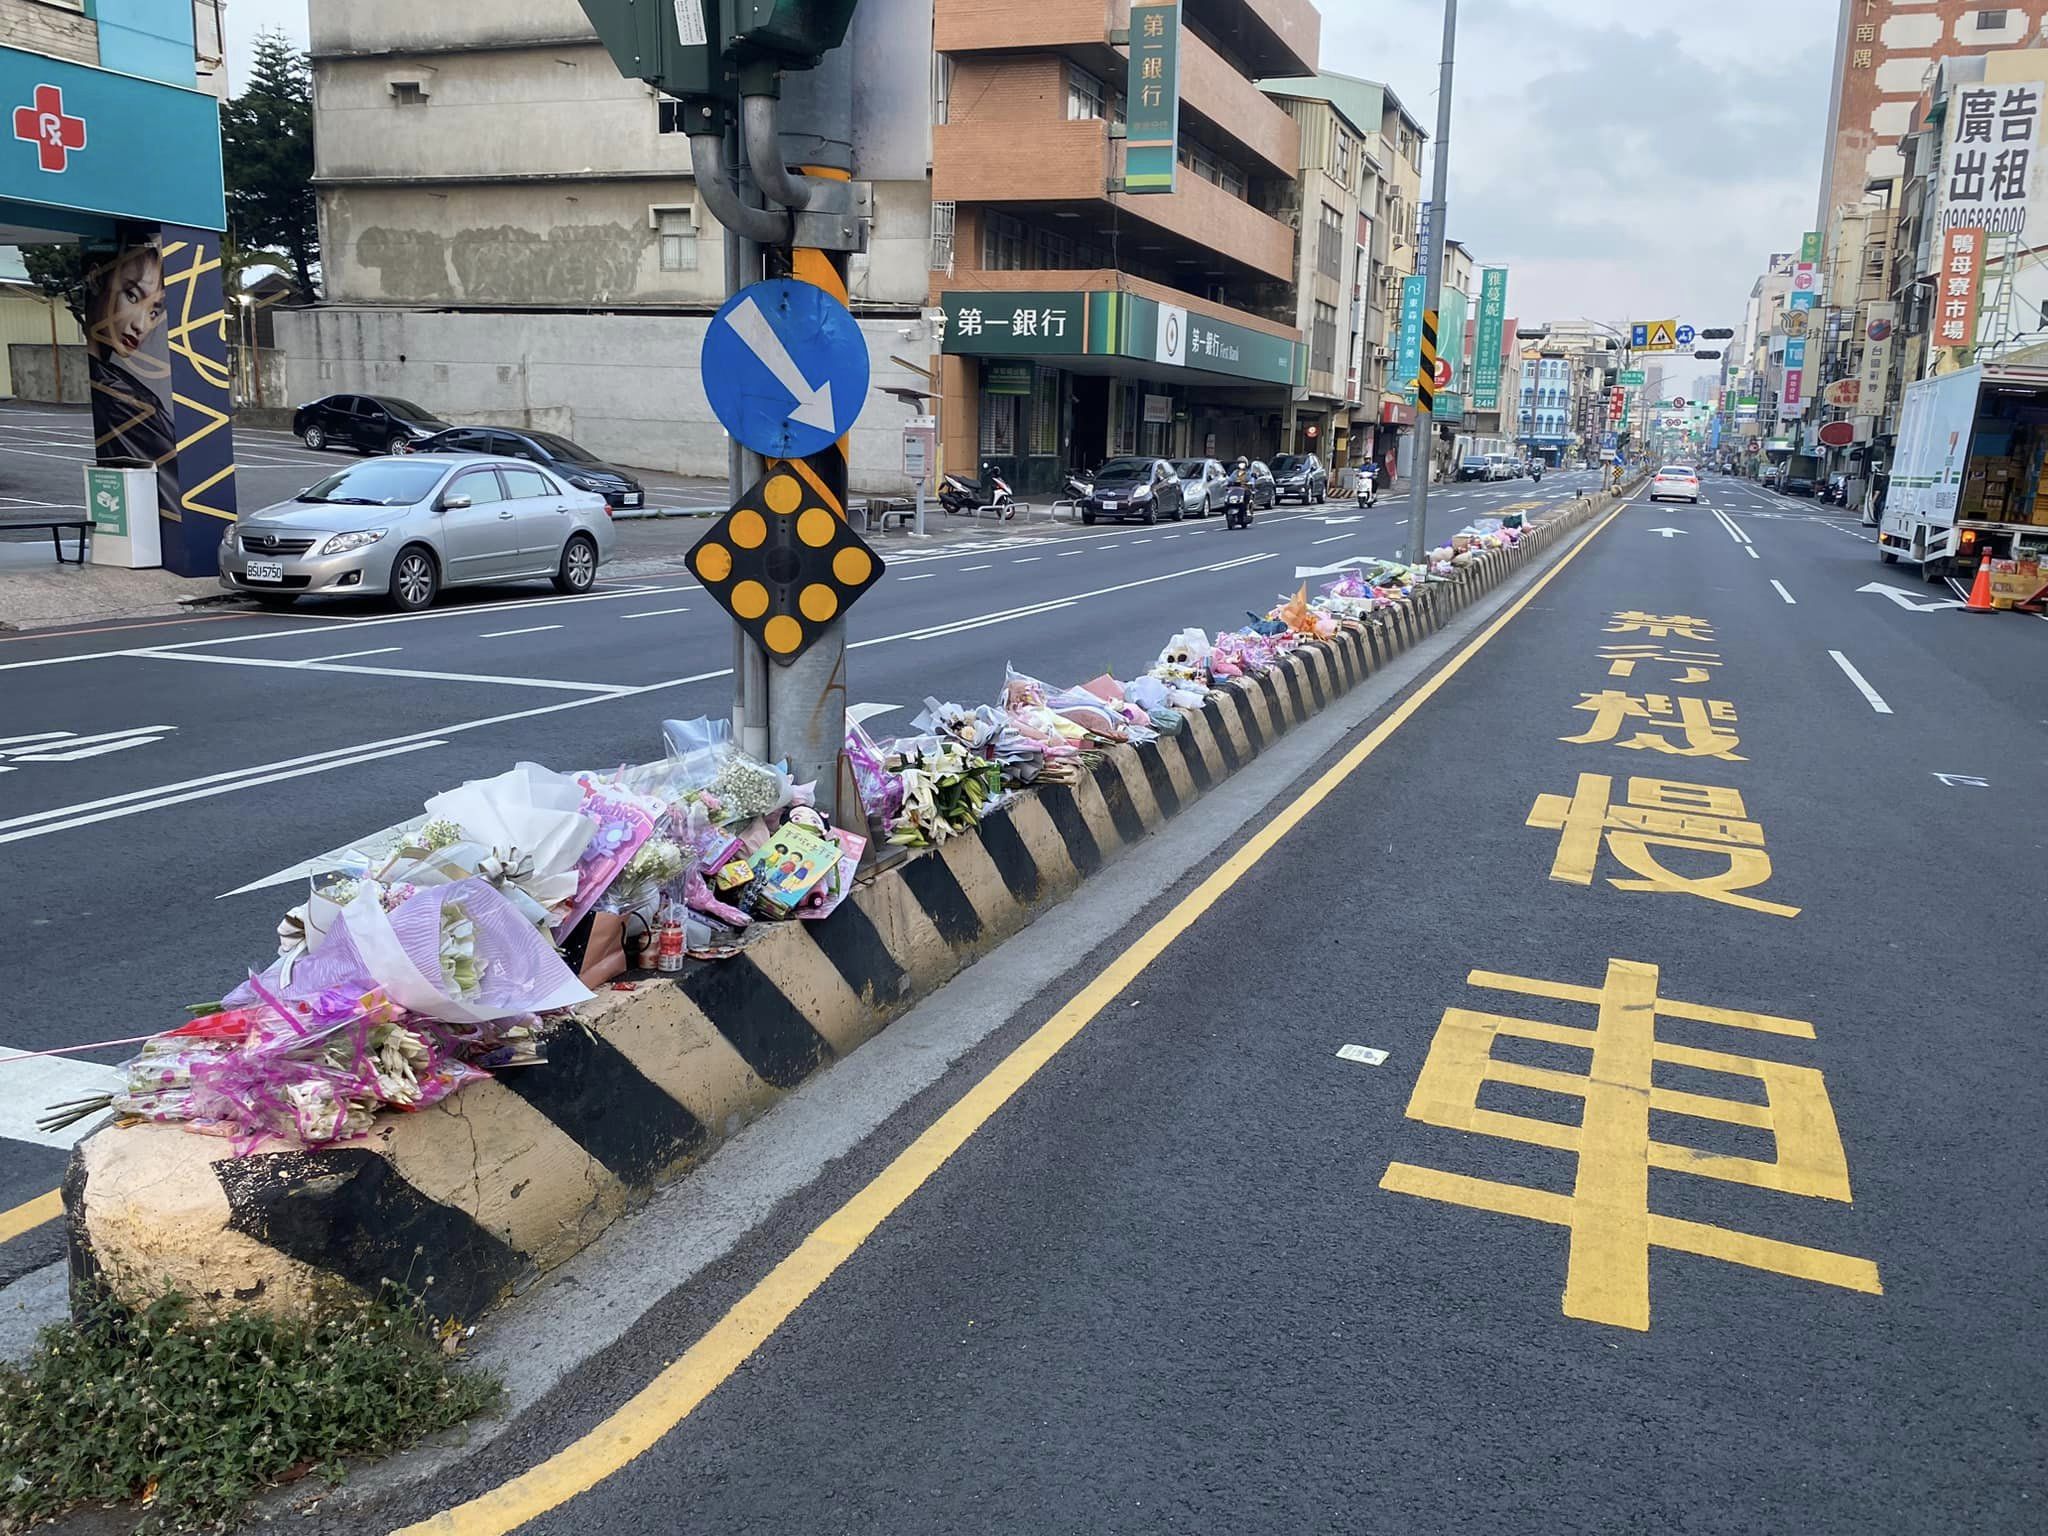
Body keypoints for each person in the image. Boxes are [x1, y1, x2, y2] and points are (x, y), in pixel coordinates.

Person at [83, 244, 176, 516]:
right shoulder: (122, 398)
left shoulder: (125, 391)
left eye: (154, 312)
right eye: (133, 296)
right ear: (96, 278)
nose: (141, 325)